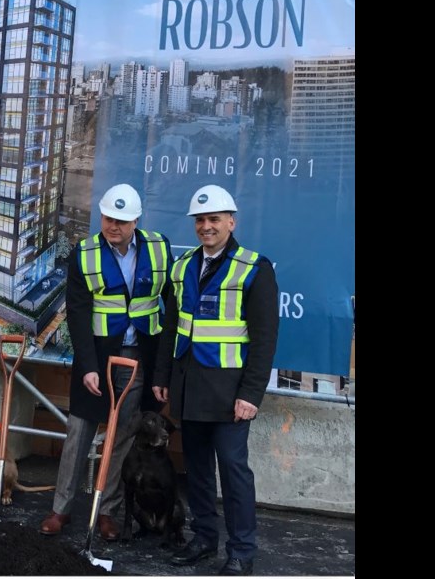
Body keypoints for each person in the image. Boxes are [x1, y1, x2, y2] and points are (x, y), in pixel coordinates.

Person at [152, 185, 279, 576]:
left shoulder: (254, 268)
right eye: (201, 221)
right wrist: (163, 377)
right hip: (189, 387)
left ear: (230, 222)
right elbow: (170, 326)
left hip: (230, 396)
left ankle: (241, 551)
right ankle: (204, 538)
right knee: (198, 470)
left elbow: (264, 338)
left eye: (214, 220)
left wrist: (251, 395)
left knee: (233, 471)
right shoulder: (182, 267)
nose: (206, 227)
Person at [40, 184, 172, 542]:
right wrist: (88, 367)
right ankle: (61, 509)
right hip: (98, 357)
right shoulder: (84, 254)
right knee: (79, 432)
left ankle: (107, 511)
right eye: (108, 218)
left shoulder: (159, 249)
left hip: (137, 357)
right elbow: (78, 315)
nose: (113, 226)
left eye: (122, 221)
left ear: (136, 221)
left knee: (122, 438)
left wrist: (161, 369)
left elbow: (170, 309)